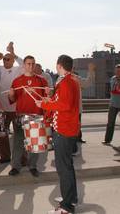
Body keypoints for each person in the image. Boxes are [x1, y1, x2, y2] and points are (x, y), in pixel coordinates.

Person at [36, 55, 80, 214]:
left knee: (63, 168)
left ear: (59, 65)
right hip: (68, 128)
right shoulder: (70, 80)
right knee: (67, 166)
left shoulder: (66, 82)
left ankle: (66, 207)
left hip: (64, 130)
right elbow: (61, 100)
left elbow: (64, 104)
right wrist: (47, 99)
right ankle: (71, 198)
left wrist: (45, 103)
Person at [8, 55, 49, 178]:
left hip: (36, 116)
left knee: (34, 143)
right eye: (28, 64)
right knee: (18, 143)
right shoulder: (17, 81)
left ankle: (32, 166)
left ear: (35, 65)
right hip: (21, 115)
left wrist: (48, 93)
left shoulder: (42, 81)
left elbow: (47, 99)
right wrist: (10, 95)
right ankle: (15, 166)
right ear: (24, 65)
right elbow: (12, 99)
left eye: (33, 64)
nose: (30, 66)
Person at [0, 42, 24, 164]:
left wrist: (13, 53)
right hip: (2, 108)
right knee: (2, 134)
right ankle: (5, 157)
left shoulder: (18, 69)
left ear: (12, 61)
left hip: (16, 108)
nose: (6, 61)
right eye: (5, 59)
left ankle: (22, 158)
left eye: (8, 59)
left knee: (19, 135)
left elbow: (23, 63)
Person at [102, 64, 120, 145]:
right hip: (113, 104)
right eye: (116, 70)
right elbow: (114, 90)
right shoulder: (113, 79)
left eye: (119, 71)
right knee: (110, 123)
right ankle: (107, 140)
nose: (117, 72)